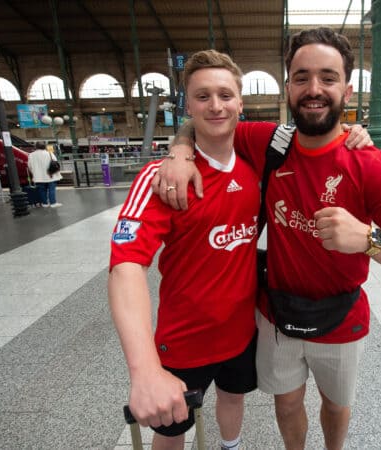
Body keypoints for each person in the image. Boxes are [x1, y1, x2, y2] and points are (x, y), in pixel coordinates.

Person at [154, 27, 381, 450]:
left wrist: (369, 238)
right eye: (302, 77)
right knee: (287, 405)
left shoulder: (371, 165)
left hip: (341, 320)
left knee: (335, 404)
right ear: (288, 86)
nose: (314, 89)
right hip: (278, 317)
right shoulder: (268, 141)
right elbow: (203, 119)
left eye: (328, 78)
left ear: (347, 90)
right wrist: (179, 152)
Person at [108, 50, 262, 450]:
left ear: (240, 103)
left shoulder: (254, 168)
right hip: (183, 341)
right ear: (187, 104)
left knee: (233, 396)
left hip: (242, 332)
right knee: (171, 429)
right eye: (203, 96)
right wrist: (143, 371)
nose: (216, 105)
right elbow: (126, 265)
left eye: (225, 95)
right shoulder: (162, 180)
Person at [27, 142, 63, 207]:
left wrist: (34, 173)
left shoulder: (31, 155)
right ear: (44, 147)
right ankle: (53, 203)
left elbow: (29, 166)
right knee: (51, 189)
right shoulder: (49, 153)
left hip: (38, 176)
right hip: (50, 175)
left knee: (41, 190)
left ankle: (45, 203)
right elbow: (55, 163)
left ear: (36, 147)